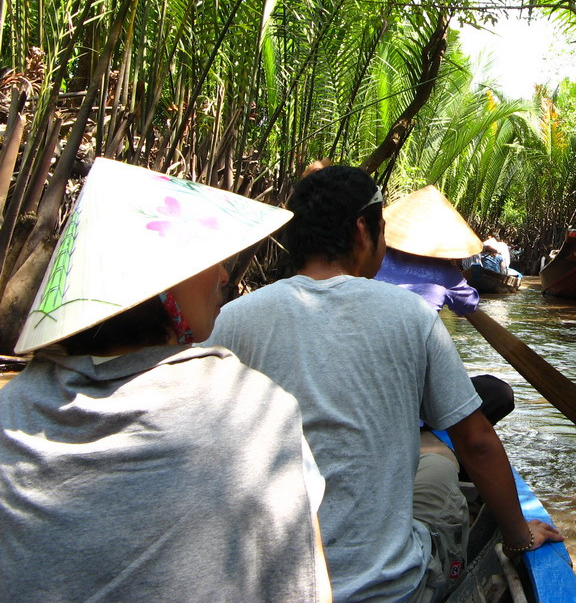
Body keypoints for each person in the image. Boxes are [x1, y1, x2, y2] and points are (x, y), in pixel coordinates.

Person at [206, 165, 563, 603]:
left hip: (270, 586)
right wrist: (520, 539)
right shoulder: (410, 316)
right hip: (391, 588)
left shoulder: (232, 320)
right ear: (362, 231)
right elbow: (478, 444)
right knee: (436, 472)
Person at [0, 157, 331, 603]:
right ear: (158, 285)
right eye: (202, 259)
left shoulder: (12, 407)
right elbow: (308, 590)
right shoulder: (254, 409)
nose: (222, 275)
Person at [374, 185, 514, 425]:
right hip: (407, 390)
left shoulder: (372, 258)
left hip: (369, 378)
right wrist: (456, 274)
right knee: (499, 392)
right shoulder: (446, 274)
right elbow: (468, 305)